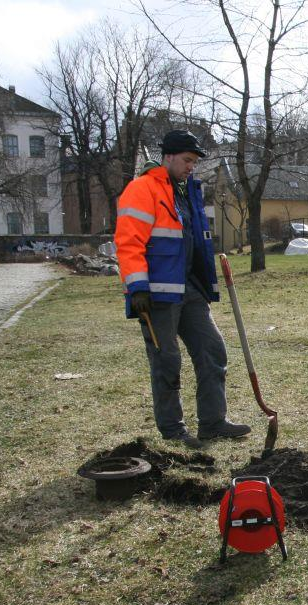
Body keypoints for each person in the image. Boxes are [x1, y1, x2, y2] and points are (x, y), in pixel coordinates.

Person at [115, 129, 251, 449]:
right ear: (169, 156)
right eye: (188, 160)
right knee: (167, 361)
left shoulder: (187, 191)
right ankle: (173, 430)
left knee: (212, 349)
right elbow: (128, 242)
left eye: (194, 162)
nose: (192, 166)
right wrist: (138, 288)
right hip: (157, 292)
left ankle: (213, 422)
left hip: (189, 288)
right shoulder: (142, 189)